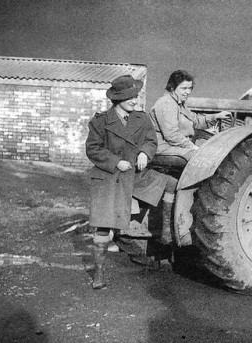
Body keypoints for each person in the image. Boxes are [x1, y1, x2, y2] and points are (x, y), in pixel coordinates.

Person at [85, 75, 178, 290]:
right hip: (111, 177)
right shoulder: (100, 121)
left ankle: (164, 232)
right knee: (103, 226)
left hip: (136, 174)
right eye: (130, 98)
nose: (135, 101)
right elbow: (93, 149)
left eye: (136, 96)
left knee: (170, 183)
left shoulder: (141, 118)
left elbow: (150, 140)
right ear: (118, 100)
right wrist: (117, 162)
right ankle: (98, 272)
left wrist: (146, 152)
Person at [149, 70, 230, 170]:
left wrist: (215, 117)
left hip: (176, 146)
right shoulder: (166, 104)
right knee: (204, 160)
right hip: (164, 148)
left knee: (212, 156)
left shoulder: (180, 104)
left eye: (190, 88)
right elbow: (171, 135)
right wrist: (192, 147)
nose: (187, 92)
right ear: (172, 87)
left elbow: (195, 121)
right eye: (184, 88)